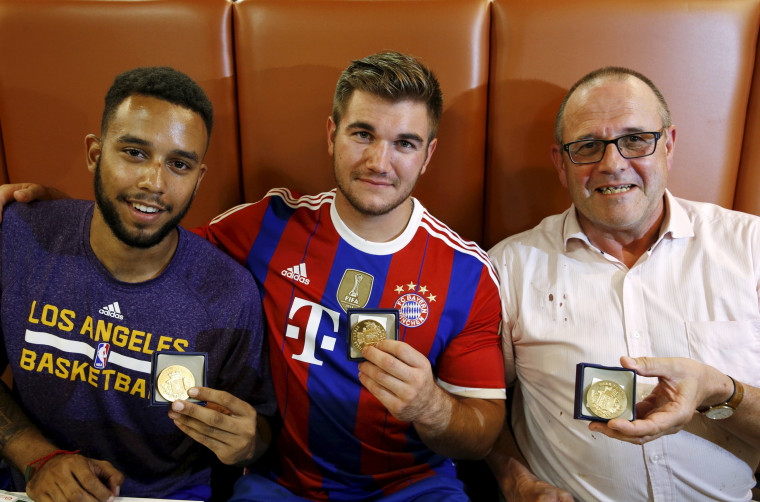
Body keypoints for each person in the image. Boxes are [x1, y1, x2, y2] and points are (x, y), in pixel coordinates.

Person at [0, 51, 506, 501]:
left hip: (413, 485)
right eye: (362, 134)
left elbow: (482, 435)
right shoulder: (266, 225)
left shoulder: (468, 274)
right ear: (332, 133)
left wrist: (432, 406)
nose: (379, 161)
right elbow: (149, 229)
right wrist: (46, 218)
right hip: (280, 481)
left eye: (405, 143)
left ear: (429, 154)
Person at [0, 67, 275, 501]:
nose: (154, 183)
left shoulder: (230, 295)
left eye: (179, 164)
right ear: (95, 153)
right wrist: (36, 456)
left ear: (198, 179)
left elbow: (258, 432)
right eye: (134, 152)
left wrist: (248, 444)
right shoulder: (18, 237)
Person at [486, 66, 760, 501]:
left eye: (635, 139)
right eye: (588, 146)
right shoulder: (509, 267)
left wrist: (723, 392)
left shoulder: (751, 247)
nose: (613, 165)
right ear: (561, 163)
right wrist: (516, 480)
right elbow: (480, 407)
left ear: (668, 145)